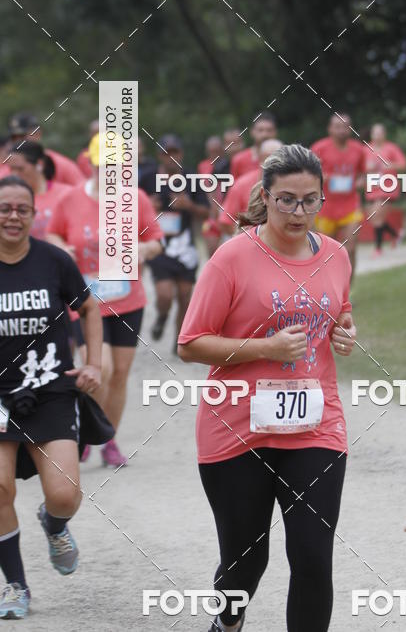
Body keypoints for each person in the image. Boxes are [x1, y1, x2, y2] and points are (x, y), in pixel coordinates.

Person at [178, 144, 357, 632]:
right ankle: (228, 622)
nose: (299, 212)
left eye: (310, 200)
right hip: (235, 429)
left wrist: (345, 331)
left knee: (313, 558)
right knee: (244, 561)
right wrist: (265, 349)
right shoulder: (232, 259)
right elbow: (190, 344)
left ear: (323, 199)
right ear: (265, 196)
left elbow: (337, 311)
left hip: (315, 428)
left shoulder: (337, 256)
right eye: (286, 200)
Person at [0, 175, 103, 618]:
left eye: (22, 208)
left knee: (63, 494)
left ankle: (54, 523)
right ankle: (16, 588)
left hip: (50, 391)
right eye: (5, 208)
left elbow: (91, 306)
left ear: (33, 213)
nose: (13, 216)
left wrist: (94, 362)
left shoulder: (54, 261)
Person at [46, 134, 163, 467]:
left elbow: (156, 239)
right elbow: (53, 232)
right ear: (92, 163)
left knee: (118, 375)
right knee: (100, 368)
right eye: (105, 165)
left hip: (128, 299)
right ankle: (88, 429)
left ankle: (108, 439)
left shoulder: (136, 198)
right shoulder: (71, 199)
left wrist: (144, 249)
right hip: (85, 302)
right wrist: (60, 247)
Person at [140, 135, 209, 347]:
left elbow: (206, 213)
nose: (170, 157)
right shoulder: (147, 178)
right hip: (159, 245)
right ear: (159, 155)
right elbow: (128, 209)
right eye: (165, 153)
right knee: (164, 295)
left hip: (184, 246)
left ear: (182, 153)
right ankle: (161, 317)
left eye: (174, 152)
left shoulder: (191, 177)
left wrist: (189, 206)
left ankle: (180, 343)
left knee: (185, 297)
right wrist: (146, 205)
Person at [311, 114, 366, 278]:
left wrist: (361, 182)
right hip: (325, 207)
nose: (342, 130)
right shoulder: (319, 148)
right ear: (330, 129)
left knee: (351, 248)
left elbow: (363, 174)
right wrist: (321, 177)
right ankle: (329, 291)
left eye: (346, 126)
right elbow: (308, 174)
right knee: (326, 254)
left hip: (351, 205)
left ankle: (347, 293)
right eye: (337, 126)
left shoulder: (358, 149)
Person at [6, 142, 72, 240]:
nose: (14, 174)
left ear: (39, 164)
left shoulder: (67, 194)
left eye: (20, 169)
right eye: (12, 169)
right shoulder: (6, 197)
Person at [218, 138, 283, 236]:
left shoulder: (293, 186)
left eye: (279, 159)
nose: (274, 165)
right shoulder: (242, 184)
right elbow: (225, 221)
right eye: (269, 159)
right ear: (260, 160)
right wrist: (246, 239)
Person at [364, 124, 406, 256]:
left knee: (377, 214)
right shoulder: (365, 149)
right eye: (375, 133)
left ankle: (378, 249)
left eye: (380, 133)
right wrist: (367, 167)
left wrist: (390, 165)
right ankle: (396, 234)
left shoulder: (391, 148)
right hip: (372, 188)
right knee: (375, 218)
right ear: (371, 134)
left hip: (388, 187)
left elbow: (403, 165)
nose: (377, 136)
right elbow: (359, 167)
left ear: (384, 134)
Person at [7, 114, 84, 187]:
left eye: (21, 136)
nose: (17, 141)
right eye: (13, 137)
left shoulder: (61, 164)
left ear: (37, 134)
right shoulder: (6, 166)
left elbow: (83, 191)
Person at [198, 136, 226, 258]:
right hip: (211, 216)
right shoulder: (203, 166)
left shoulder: (229, 165)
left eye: (217, 151)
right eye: (211, 151)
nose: (214, 154)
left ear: (222, 150)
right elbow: (205, 186)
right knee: (212, 252)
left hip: (227, 213)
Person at [230, 113, 278, 179]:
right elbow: (235, 188)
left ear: (275, 132)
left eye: (269, 130)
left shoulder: (286, 159)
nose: (265, 134)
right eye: (260, 130)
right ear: (252, 132)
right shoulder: (239, 159)